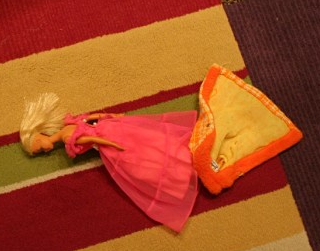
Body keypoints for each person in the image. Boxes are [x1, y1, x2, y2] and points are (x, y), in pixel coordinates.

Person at [20, 93, 198, 232]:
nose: (45, 150)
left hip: (108, 140)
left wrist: (112, 144)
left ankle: (179, 177)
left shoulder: (67, 137)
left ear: (39, 138)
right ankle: (181, 158)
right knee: (147, 142)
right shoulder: (67, 125)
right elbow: (89, 119)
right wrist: (110, 116)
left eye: (40, 148)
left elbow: (90, 138)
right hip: (109, 128)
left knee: (141, 165)